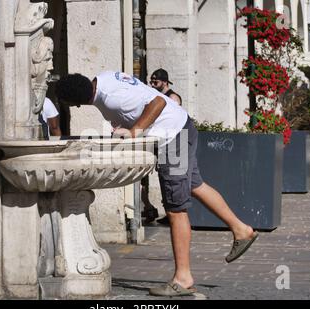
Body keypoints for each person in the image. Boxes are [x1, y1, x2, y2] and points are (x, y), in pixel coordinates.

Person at [56, 71, 258, 296]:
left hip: (173, 139)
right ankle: (241, 229)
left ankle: (183, 278)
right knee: (194, 184)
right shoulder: (105, 79)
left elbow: (158, 102)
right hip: (181, 128)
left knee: (175, 207)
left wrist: (134, 132)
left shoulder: (111, 97)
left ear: (77, 102)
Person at [144, 68, 183, 225]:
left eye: (156, 82)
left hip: (173, 142)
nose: (152, 84)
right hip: (161, 141)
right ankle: (169, 211)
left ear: (165, 82)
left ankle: (175, 212)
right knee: (164, 177)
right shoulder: (156, 96)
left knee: (174, 178)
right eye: (151, 81)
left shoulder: (173, 97)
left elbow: (172, 121)